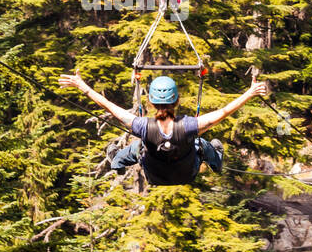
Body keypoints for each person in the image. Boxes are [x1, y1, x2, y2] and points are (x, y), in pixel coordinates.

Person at [58, 72, 269, 186]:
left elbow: (110, 108)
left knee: (137, 147)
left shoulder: (142, 125)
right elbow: (223, 112)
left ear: (150, 102)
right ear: (176, 101)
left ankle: (116, 161)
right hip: (186, 173)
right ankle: (216, 161)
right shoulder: (188, 126)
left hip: (155, 175)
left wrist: (82, 87)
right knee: (202, 144)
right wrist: (249, 93)